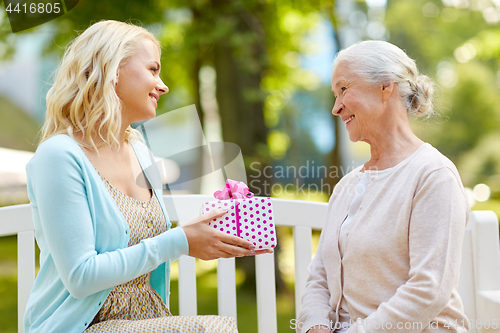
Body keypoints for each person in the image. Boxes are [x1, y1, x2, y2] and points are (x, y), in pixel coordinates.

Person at [24, 20, 271, 333]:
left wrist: (205, 237)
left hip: (148, 320)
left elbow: (149, 250)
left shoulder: (139, 149)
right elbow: (81, 277)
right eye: (153, 70)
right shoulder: (59, 156)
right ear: (112, 71)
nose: (163, 85)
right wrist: (179, 240)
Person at [297, 41, 469, 333]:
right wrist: (315, 326)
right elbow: (320, 278)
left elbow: (428, 290)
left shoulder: (433, 175)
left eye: (344, 89)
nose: (336, 107)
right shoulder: (346, 186)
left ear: (385, 87)